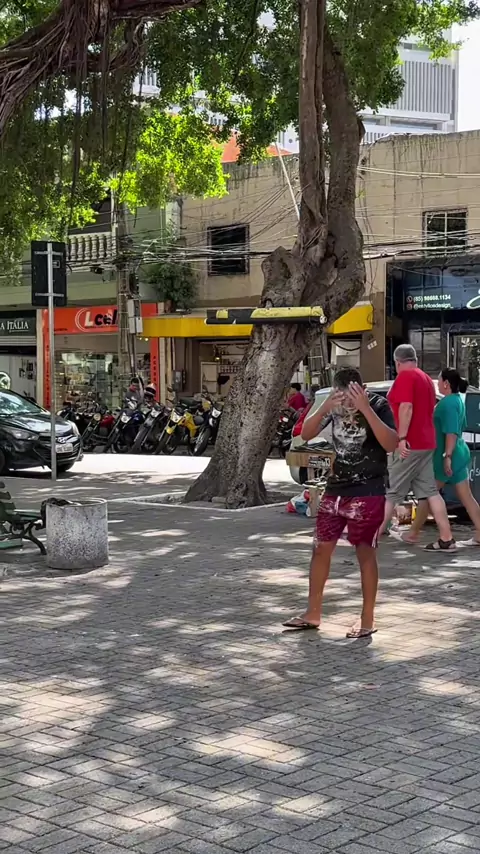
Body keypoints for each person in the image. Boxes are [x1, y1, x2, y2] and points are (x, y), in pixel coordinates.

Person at [283, 367, 398, 638]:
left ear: (362, 390)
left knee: (365, 552)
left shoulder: (378, 406)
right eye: (342, 398)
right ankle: (312, 613)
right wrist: (324, 408)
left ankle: (367, 619)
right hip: (335, 489)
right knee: (320, 548)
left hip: (368, 491)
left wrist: (365, 409)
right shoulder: (332, 406)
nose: (347, 405)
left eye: (351, 398)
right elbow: (306, 434)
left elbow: (391, 444)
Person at [379, 344, 455, 551]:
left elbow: (406, 407)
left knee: (392, 491)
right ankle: (446, 537)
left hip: (410, 443)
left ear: (397, 362)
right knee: (431, 492)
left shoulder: (405, 377)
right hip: (427, 442)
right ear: (415, 359)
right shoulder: (426, 379)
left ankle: (373, 535)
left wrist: (402, 437)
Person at [402, 368, 480, 545]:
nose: (437, 383)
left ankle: (414, 533)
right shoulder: (456, 400)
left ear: (446, 383)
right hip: (457, 453)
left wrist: (447, 456)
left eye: (438, 380)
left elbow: (451, 431)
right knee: (466, 497)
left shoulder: (448, 404)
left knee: (428, 494)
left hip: (446, 456)